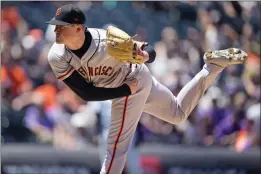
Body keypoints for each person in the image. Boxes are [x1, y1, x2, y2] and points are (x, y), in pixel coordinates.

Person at [46, 4, 247, 174]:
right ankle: (212, 66)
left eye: (62, 27)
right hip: (124, 88)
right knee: (177, 113)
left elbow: (149, 50)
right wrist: (124, 90)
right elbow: (86, 93)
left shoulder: (106, 41)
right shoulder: (57, 55)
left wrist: (145, 56)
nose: (56, 31)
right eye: (56, 27)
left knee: (116, 146)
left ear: (79, 28)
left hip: (133, 77)